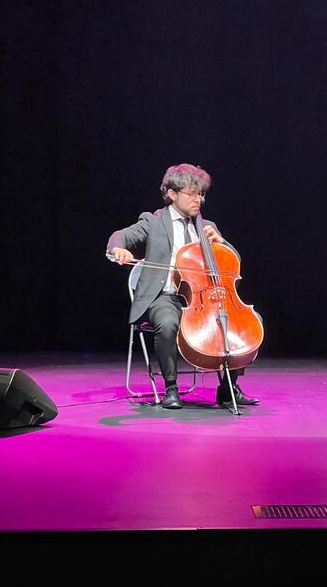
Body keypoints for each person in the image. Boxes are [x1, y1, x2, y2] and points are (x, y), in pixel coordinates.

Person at [106, 163, 259, 410]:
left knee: (246, 324)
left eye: (201, 194)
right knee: (167, 323)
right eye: (191, 193)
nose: (198, 199)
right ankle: (171, 387)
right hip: (165, 296)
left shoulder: (207, 226)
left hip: (204, 299)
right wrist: (118, 249)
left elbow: (232, 264)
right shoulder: (153, 221)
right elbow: (121, 236)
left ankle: (227, 388)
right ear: (172, 193)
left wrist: (223, 242)